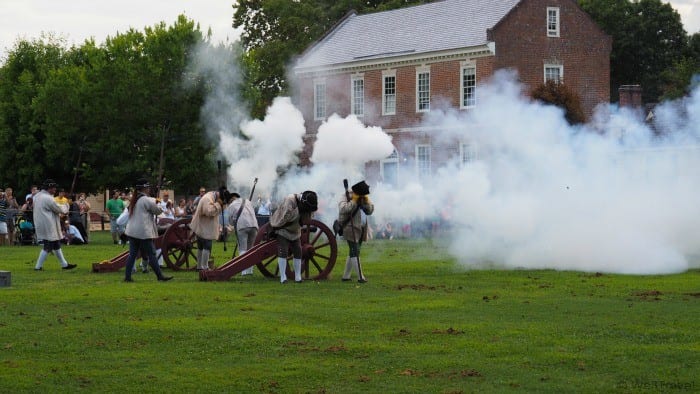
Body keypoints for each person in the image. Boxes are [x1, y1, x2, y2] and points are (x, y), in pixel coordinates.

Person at [123, 178, 172, 282]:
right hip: (143, 232)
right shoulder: (146, 200)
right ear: (144, 188)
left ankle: (127, 277)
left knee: (132, 255)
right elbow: (158, 211)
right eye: (148, 187)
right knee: (152, 254)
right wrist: (158, 202)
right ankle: (160, 276)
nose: (149, 189)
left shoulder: (134, 199)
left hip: (132, 232)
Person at [269, 190, 318, 283]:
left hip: (295, 231)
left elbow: (308, 218)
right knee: (283, 251)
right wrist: (276, 228)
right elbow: (285, 217)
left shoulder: (306, 205)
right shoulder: (290, 200)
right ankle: (283, 277)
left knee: (298, 251)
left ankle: (298, 277)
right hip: (283, 230)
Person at [33, 179, 77, 271]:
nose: (55, 190)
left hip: (42, 222)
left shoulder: (38, 196)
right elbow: (58, 209)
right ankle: (38, 266)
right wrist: (67, 205)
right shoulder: (48, 198)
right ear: (49, 188)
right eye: (53, 188)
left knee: (56, 243)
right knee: (48, 246)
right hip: (48, 223)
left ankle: (64, 264)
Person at [338, 180, 374, 283]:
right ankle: (360, 277)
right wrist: (353, 201)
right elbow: (343, 209)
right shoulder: (346, 196)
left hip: (362, 227)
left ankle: (346, 276)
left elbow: (370, 211)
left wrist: (366, 203)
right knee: (354, 250)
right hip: (350, 227)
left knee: (354, 251)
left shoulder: (364, 196)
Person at [189, 188, 223, 271]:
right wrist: (218, 204)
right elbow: (209, 212)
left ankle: (199, 267)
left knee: (200, 247)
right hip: (204, 228)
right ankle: (204, 267)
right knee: (207, 246)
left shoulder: (209, 197)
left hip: (203, 226)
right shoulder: (207, 198)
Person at [226, 192, 259, 275]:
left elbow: (230, 221)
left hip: (242, 227)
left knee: (243, 249)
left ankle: (244, 271)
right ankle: (250, 271)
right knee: (250, 249)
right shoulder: (247, 201)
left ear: (231, 200)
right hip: (254, 225)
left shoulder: (231, 205)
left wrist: (234, 222)